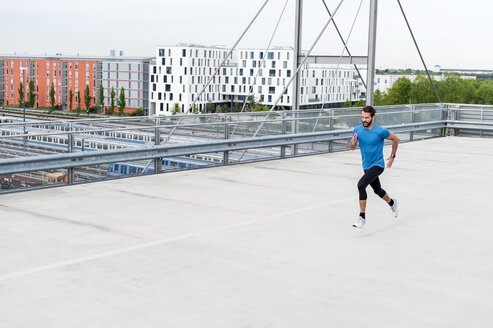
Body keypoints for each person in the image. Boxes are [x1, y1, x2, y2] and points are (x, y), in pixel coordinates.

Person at [349, 105, 399, 229]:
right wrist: (353, 143)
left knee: (361, 185)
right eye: (362, 117)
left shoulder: (380, 131)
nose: (364, 120)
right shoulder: (357, 129)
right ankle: (392, 202)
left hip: (378, 165)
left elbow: (395, 139)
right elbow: (351, 147)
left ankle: (362, 218)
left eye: (366, 117)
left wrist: (392, 156)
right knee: (377, 190)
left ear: (373, 117)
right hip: (366, 166)